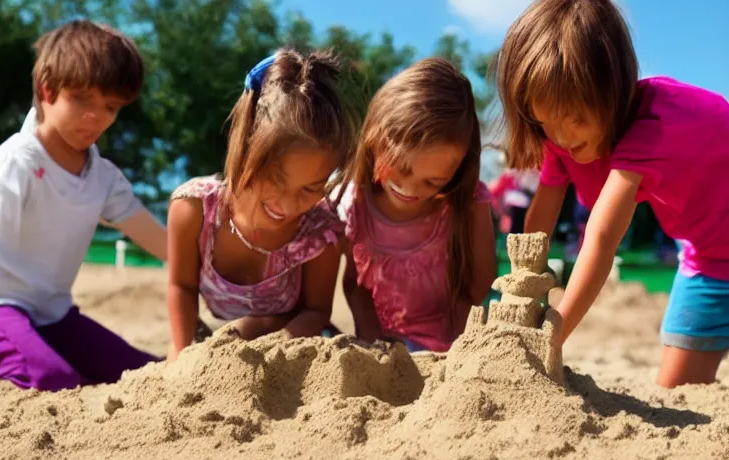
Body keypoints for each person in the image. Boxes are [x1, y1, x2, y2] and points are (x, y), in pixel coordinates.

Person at [493, 0, 729, 387]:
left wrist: (548, 338)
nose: (564, 138)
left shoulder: (653, 126)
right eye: (546, 122)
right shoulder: (562, 140)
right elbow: (539, 225)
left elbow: (601, 240)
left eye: (576, 119)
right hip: (709, 262)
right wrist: (523, 293)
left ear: (612, 90)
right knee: (675, 391)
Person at [0, 20, 168, 391]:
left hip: (51, 315)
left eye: (111, 106)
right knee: (52, 378)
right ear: (47, 91)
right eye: (82, 98)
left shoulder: (103, 177)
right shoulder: (17, 162)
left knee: (147, 374)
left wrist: (220, 274)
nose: (96, 116)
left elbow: (162, 243)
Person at [166, 50, 355, 362]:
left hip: (288, 349)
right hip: (209, 346)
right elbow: (181, 287)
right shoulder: (194, 209)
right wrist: (179, 357)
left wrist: (264, 338)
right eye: (277, 179)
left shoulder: (320, 234)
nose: (290, 203)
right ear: (245, 143)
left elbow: (316, 311)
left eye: (311, 188)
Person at [335, 58, 497, 353]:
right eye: (402, 167)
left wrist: (451, 355)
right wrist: (374, 345)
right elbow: (354, 284)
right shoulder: (354, 204)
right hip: (381, 345)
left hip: (446, 350)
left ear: (457, 174)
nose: (410, 189)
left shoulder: (462, 204)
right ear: (375, 137)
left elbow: (477, 289)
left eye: (433, 182)